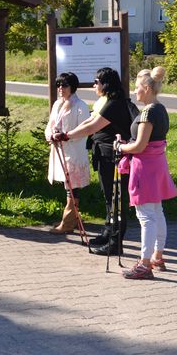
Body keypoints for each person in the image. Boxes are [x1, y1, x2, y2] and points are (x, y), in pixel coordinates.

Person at [62, 67, 135, 254]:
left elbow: (91, 127)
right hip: (105, 155)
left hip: (113, 158)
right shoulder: (107, 102)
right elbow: (88, 122)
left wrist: (67, 136)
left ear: (105, 84)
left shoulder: (114, 104)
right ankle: (107, 233)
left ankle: (115, 243)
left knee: (115, 199)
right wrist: (66, 134)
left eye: (97, 81)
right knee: (108, 196)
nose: (94, 85)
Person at [114, 66, 177, 280]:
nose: (134, 92)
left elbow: (140, 145)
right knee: (156, 211)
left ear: (147, 88)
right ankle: (157, 256)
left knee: (145, 216)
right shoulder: (161, 108)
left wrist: (120, 147)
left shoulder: (149, 111)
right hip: (157, 163)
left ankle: (144, 263)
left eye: (137, 88)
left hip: (146, 166)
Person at [45, 72, 91, 234]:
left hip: (74, 151)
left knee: (73, 184)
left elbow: (84, 130)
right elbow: (50, 123)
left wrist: (66, 137)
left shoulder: (81, 106)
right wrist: (50, 135)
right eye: (58, 85)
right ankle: (72, 218)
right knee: (67, 183)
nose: (60, 88)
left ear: (72, 87)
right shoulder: (57, 104)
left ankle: (68, 221)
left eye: (64, 85)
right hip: (59, 150)